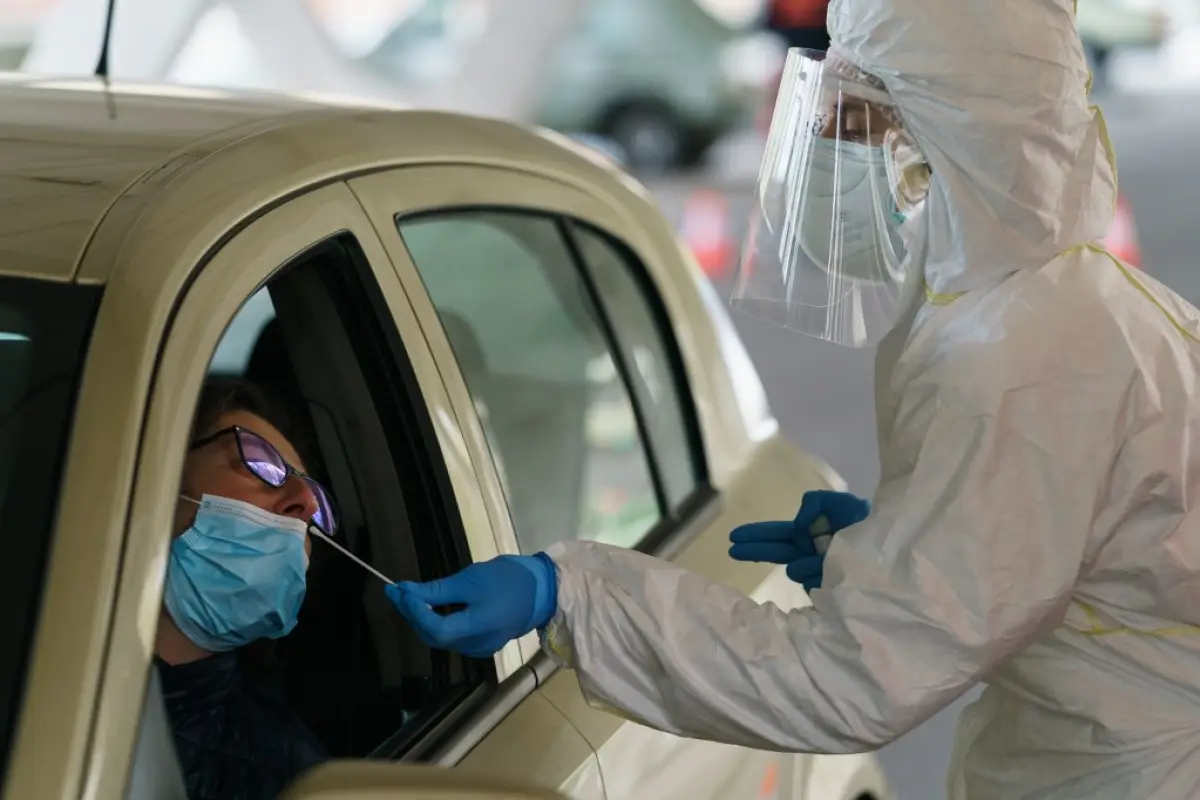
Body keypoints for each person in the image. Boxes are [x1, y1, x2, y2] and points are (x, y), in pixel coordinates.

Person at [388, 0, 1200, 797]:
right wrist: (907, 547)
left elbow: (851, 680)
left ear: (951, 128)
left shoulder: (1023, 361)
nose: (821, 139)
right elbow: (1090, 547)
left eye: (853, 118)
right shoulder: (1065, 298)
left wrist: (573, 596)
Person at [157, 377, 334, 800]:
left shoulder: (291, 776)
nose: (306, 504)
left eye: (318, 510)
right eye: (262, 461)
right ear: (156, 476)